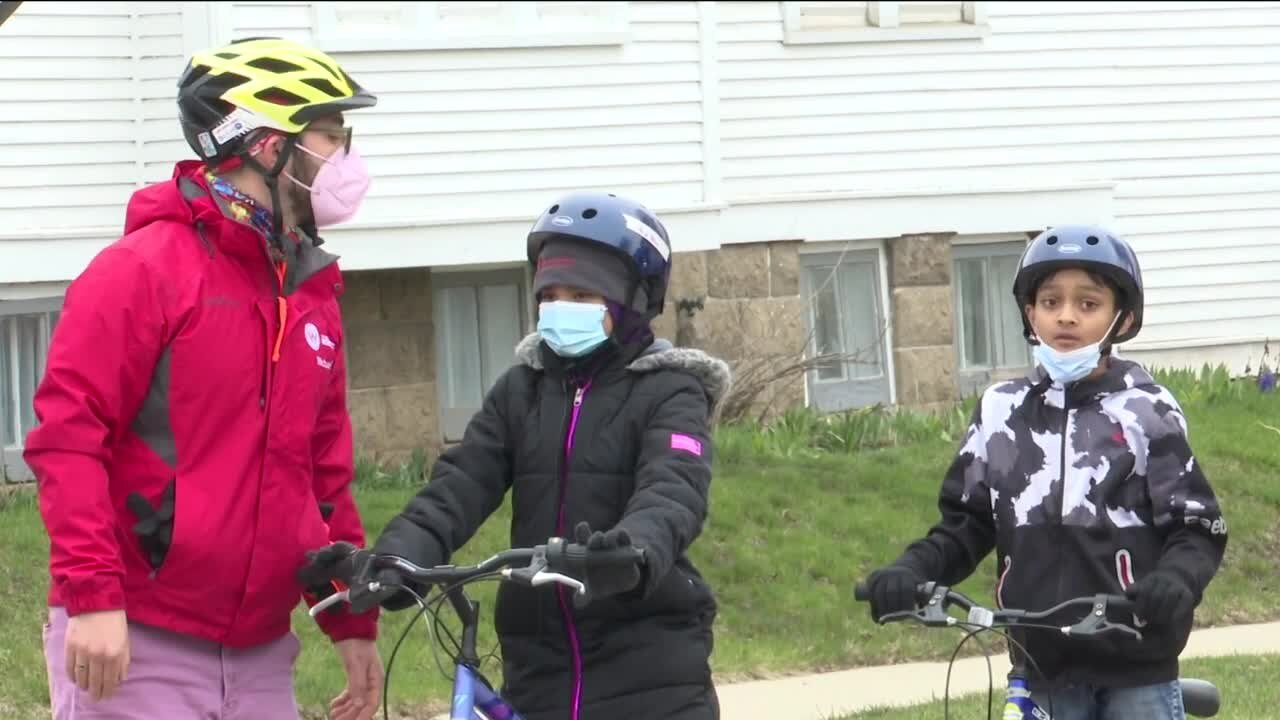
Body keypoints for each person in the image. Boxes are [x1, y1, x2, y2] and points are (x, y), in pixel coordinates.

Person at [26, 37, 383, 720]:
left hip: (260, 656)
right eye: (331, 136)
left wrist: (350, 619)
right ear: (267, 145)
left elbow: (322, 474)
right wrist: (94, 600)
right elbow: (68, 441)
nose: (347, 160)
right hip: (134, 644)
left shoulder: (309, 292)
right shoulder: (142, 272)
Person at [308, 192, 731, 720]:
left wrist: (633, 552)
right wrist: (398, 554)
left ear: (636, 301)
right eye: (549, 294)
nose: (560, 307)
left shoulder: (671, 391)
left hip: (649, 669)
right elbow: (459, 484)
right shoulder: (520, 391)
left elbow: (674, 488)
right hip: (539, 668)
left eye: (581, 294)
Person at [860, 226, 1228, 719]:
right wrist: (912, 571)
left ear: (1123, 319)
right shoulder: (1001, 410)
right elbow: (966, 524)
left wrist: (1175, 580)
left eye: (1088, 303)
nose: (1067, 315)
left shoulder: (1147, 411)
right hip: (1040, 660)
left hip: (1136, 656)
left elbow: (1197, 527)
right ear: (1030, 314)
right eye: (1051, 301)